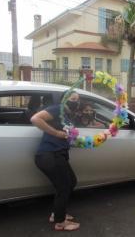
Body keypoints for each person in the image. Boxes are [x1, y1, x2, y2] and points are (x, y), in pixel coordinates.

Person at [31, 91, 81, 231]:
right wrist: (57, 133)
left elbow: (67, 137)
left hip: (58, 155)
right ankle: (60, 222)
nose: (76, 101)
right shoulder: (57, 108)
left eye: (77, 99)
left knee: (71, 182)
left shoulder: (68, 116)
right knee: (64, 187)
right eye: (72, 98)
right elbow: (35, 119)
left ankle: (57, 214)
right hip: (50, 155)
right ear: (64, 99)